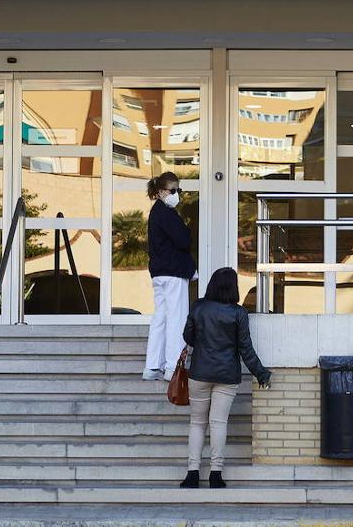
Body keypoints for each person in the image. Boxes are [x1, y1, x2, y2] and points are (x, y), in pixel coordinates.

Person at [179, 267, 271, 489]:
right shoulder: (238, 313)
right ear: (233, 288)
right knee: (218, 423)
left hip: (199, 372)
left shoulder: (198, 307)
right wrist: (261, 372)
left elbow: (188, 337)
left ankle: (192, 473)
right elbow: (245, 349)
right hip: (227, 375)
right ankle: (215, 474)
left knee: (197, 423)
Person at [142, 172, 195, 382]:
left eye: (178, 190)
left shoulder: (156, 213)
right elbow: (183, 240)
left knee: (160, 318)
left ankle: (152, 366)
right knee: (177, 318)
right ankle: (174, 366)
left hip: (159, 273)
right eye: (173, 190)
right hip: (173, 273)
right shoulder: (167, 213)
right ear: (161, 191)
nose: (177, 194)